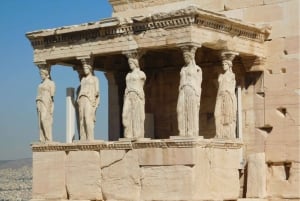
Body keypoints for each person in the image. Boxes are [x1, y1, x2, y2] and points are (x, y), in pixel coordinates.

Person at [177, 47, 202, 137]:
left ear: (191, 57)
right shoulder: (183, 69)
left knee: (191, 111)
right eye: (184, 57)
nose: (185, 59)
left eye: (186, 57)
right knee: (180, 110)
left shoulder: (197, 69)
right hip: (183, 91)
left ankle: (191, 131)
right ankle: (182, 131)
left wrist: (198, 96)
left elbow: (199, 83)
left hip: (192, 91)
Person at [122, 57, 146, 138]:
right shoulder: (128, 75)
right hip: (128, 95)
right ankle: (128, 134)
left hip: (136, 95)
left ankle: (137, 135)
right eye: (129, 64)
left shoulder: (141, 74)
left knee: (136, 116)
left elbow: (141, 85)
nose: (130, 65)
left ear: (135, 63)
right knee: (125, 115)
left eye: (131, 63)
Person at [214, 59, 237, 139]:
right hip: (220, 97)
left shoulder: (232, 75)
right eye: (223, 64)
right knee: (217, 115)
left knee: (227, 117)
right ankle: (219, 134)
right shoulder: (221, 76)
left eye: (225, 64)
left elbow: (232, 88)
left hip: (228, 96)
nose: (224, 66)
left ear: (229, 65)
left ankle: (228, 135)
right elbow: (219, 88)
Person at [77, 62, 99, 141]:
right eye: (84, 69)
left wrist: (96, 105)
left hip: (89, 100)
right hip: (82, 99)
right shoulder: (83, 80)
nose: (85, 70)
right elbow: (81, 90)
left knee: (88, 118)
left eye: (86, 68)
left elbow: (97, 93)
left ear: (90, 69)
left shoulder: (95, 79)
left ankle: (90, 138)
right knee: (81, 119)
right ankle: (83, 138)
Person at [36, 66, 55, 142]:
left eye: (42, 74)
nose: (41, 76)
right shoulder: (40, 85)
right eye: (40, 74)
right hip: (39, 102)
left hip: (46, 103)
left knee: (45, 119)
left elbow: (52, 95)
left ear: (46, 74)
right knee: (40, 120)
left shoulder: (51, 83)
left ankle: (48, 138)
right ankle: (42, 138)